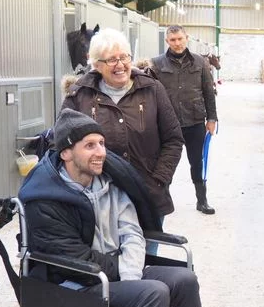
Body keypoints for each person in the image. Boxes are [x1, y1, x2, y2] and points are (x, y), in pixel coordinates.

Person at [18, 109, 220, 307]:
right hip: (77, 285)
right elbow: (75, 261)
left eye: (101, 143)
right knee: (153, 293)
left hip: (115, 274)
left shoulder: (109, 183)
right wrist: (131, 278)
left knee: (184, 280)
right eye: (89, 145)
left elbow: (132, 233)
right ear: (65, 152)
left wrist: (132, 273)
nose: (100, 152)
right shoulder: (44, 200)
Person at [61, 28, 183, 252]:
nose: (120, 65)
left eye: (124, 57)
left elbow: (173, 139)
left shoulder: (152, 89)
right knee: (105, 260)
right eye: (111, 60)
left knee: (146, 260)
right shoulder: (79, 95)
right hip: (97, 197)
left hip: (146, 195)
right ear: (96, 65)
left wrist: (158, 181)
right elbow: (62, 145)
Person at [151, 25, 218, 215]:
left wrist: (211, 118)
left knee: (197, 162)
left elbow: (208, 92)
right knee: (165, 163)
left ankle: (201, 200)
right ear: (167, 42)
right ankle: (161, 201)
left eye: (180, 39)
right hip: (167, 124)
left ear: (186, 38)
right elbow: (150, 94)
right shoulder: (157, 64)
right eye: (173, 40)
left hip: (195, 121)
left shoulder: (200, 62)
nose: (177, 43)